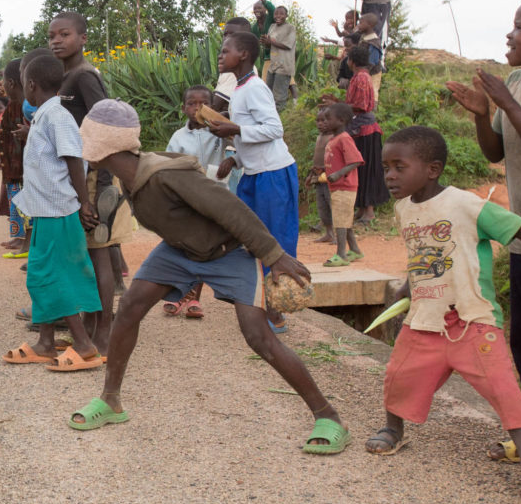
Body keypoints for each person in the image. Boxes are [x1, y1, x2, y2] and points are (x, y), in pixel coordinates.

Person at [68, 100, 350, 455]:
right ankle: (110, 401)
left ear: (100, 145)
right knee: (130, 309)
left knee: (258, 337)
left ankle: (328, 416)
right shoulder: (129, 175)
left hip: (227, 253)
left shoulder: (165, 176)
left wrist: (273, 255)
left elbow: (229, 208)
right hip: (178, 252)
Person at [368, 126, 521, 504]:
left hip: (473, 320)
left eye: (399, 167)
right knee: (398, 376)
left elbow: (519, 227)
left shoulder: (466, 204)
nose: (389, 175)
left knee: (504, 389)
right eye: (386, 167)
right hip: (425, 318)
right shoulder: (403, 209)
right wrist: (409, 284)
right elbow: (423, 255)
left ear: (432, 169)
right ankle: (393, 429)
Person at [446, 0, 521, 470]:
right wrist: (480, 112)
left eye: (520, 27)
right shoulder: (516, 81)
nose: (510, 35)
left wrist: (508, 103)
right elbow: (496, 153)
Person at [3, 52, 102, 370]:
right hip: (46, 212)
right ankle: (46, 342)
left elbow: (74, 159)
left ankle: (85, 346)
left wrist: (84, 202)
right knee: (41, 276)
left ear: (31, 85)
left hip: (59, 213)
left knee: (58, 277)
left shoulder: (57, 115)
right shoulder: (45, 116)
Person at [50, 11, 131, 356]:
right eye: (51, 35)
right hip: (79, 177)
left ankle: (105, 329)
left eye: (64, 34)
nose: (56, 41)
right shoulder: (65, 76)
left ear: (83, 38)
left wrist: (97, 180)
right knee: (86, 253)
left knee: (98, 252)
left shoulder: (85, 76)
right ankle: (91, 321)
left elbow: (105, 124)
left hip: (96, 177)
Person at [213, 32, 298, 334]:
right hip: (253, 173)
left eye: (226, 51)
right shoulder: (239, 88)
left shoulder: (255, 87)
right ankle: (259, 304)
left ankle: (277, 312)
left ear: (245, 55)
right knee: (248, 239)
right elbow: (251, 132)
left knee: (274, 240)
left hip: (273, 174)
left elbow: (274, 129)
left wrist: (234, 128)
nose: (220, 56)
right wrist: (235, 156)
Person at [162, 85, 233, 318]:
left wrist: (229, 151)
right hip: (187, 199)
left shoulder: (219, 134)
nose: (197, 108)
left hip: (213, 197)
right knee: (182, 246)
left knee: (203, 247)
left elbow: (237, 146)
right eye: (192, 104)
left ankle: (194, 299)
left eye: (204, 104)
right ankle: (179, 292)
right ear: (183, 109)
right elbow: (170, 164)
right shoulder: (178, 138)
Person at [337, 43, 389, 223]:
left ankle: (368, 211)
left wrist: (338, 106)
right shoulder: (363, 76)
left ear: (352, 61)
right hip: (363, 128)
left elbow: (359, 105)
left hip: (364, 129)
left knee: (365, 169)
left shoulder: (360, 78)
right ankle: (362, 209)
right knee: (362, 169)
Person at [320, 102, 364, 267]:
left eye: (328, 119)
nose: (325, 122)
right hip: (337, 187)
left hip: (344, 186)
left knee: (340, 220)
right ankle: (354, 249)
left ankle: (341, 254)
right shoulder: (335, 139)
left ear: (341, 120)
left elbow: (356, 161)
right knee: (344, 219)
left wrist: (338, 174)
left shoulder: (345, 139)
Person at [0, 59, 30, 254]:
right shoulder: (15, 104)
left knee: (22, 204)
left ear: (11, 83)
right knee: (15, 202)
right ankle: (19, 238)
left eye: (3, 81)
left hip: (20, 167)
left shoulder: (23, 106)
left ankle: (23, 240)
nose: (1, 86)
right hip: (13, 166)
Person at [305, 108, 335, 244]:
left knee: (332, 205)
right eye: (318, 121)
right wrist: (310, 175)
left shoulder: (334, 137)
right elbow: (316, 159)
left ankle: (336, 234)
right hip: (318, 177)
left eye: (324, 120)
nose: (320, 123)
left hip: (329, 176)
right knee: (322, 207)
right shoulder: (319, 137)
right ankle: (328, 233)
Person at [262, 6, 297, 111]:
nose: (278, 16)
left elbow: (287, 45)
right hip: (273, 65)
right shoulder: (272, 27)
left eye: (281, 14)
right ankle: (270, 117)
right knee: (268, 94)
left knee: (279, 97)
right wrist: (266, 42)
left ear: (286, 15)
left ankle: (280, 120)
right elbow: (270, 45)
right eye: (276, 14)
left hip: (284, 66)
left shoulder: (290, 28)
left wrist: (271, 41)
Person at [356, 12, 385, 100]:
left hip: (372, 72)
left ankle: (372, 109)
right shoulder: (364, 37)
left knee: (372, 92)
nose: (358, 25)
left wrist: (363, 74)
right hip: (364, 71)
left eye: (361, 23)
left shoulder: (374, 42)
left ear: (369, 25)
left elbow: (372, 61)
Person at [251, 0, 276, 72]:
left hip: (277, 55)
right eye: (255, 9)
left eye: (259, 8)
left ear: (265, 9)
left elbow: (273, 10)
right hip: (266, 58)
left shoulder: (270, 18)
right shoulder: (254, 27)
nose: (257, 10)